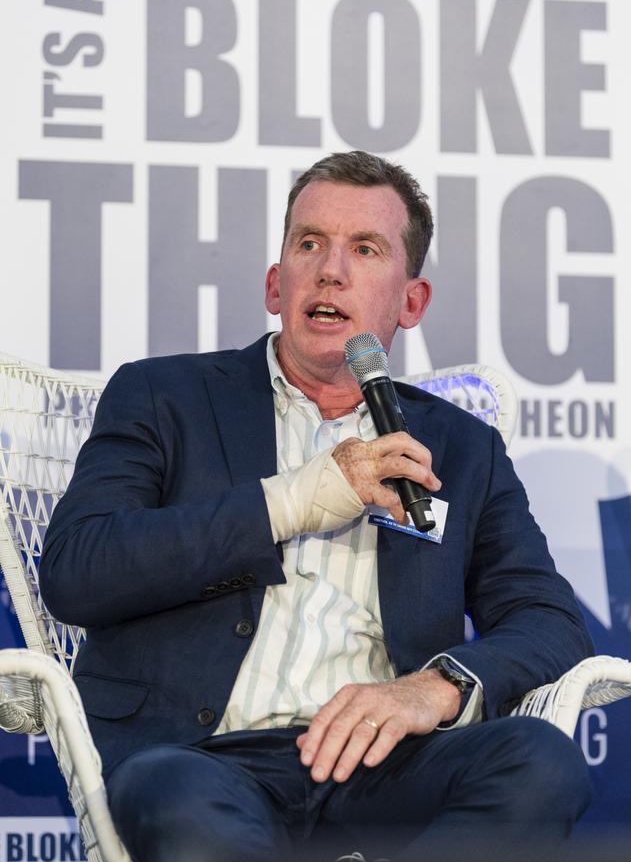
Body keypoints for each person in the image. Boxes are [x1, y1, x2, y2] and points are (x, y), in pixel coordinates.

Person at [40, 151, 593, 862]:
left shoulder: (461, 450)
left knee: (541, 763)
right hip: (203, 759)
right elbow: (79, 569)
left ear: (411, 302)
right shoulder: (165, 397)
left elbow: (546, 621)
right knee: (178, 800)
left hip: (384, 765)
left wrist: (437, 687)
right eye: (310, 244)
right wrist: (298, 500)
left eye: (365, 249)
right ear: (277, 284)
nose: (331, 270)